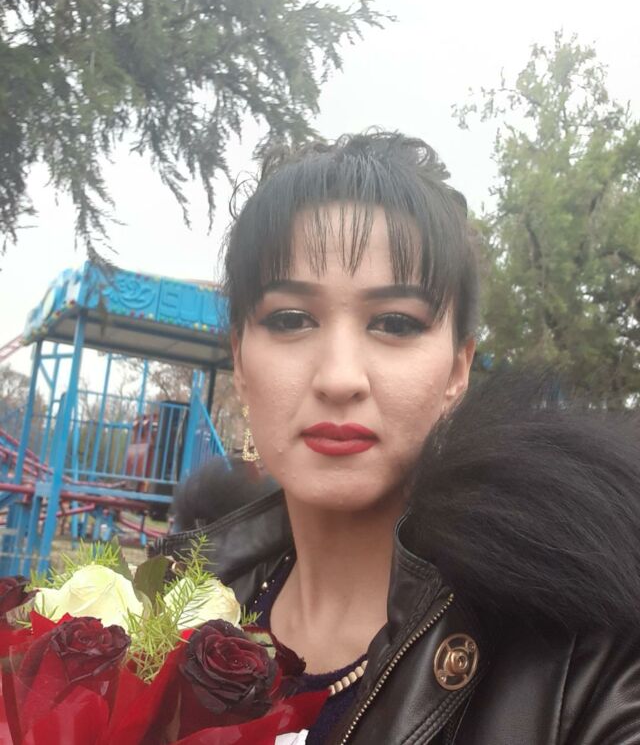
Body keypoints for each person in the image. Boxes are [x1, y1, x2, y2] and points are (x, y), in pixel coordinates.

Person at [156, 132, 640, 744]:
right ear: (240, 361)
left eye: (394, 323)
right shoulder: (165, 615)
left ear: (457, 371)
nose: (339, 378)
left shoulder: (581, 659)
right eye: (291, 319)